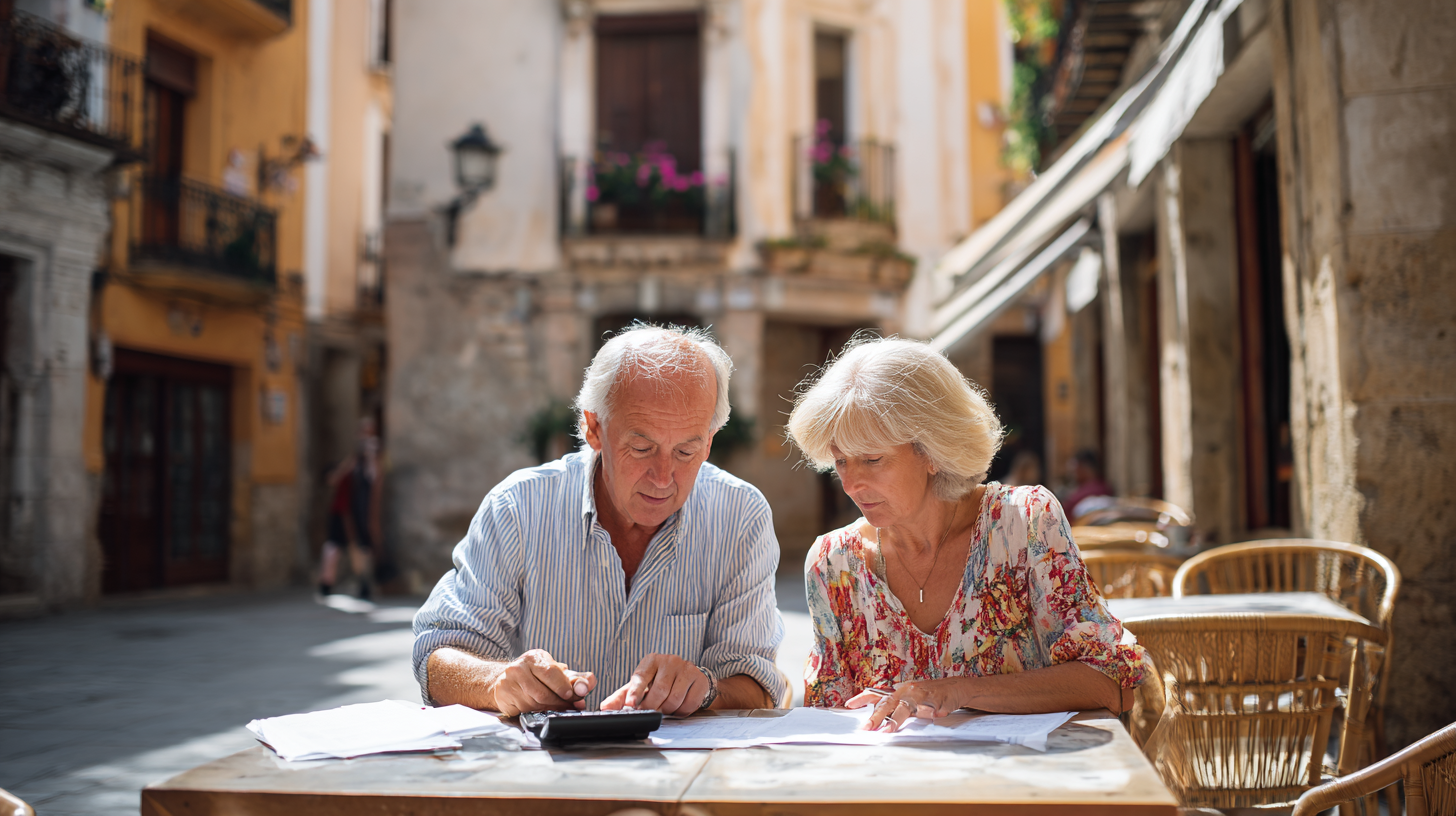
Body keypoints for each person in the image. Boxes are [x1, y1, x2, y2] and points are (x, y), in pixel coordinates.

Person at [412, 325, 785, 716]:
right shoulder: (518, 509)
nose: (663, 477)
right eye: (641, 448)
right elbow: (436, 657)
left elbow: (759, 687)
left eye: (686, 451)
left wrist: (705, 690)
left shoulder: (740, 516)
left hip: (677, 775)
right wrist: (498, 683)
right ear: (593, 427)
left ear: (709, 441)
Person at [785, 337, 1150, 732]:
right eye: (840, 461)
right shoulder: (835, 563)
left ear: (932, 452)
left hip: (1025, 784)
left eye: (873, 460)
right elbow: (825, 722)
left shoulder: (1023, 523)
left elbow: (1111, 683)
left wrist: (956, 692)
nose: (851, 484)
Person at [319, 416, 384, 600]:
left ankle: (364, 583)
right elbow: (333, 480)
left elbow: (374, 483)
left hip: (358, 513)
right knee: (334, 547)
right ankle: (326, 583)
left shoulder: (370, 462)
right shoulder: (351, 462)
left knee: (360, 549)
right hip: (342, 511)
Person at [1064, 449, 1114, 520]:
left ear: (1084, 467)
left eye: (1076, 467)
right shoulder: (1084, 488)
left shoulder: (1096, 489)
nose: (1073, 472)